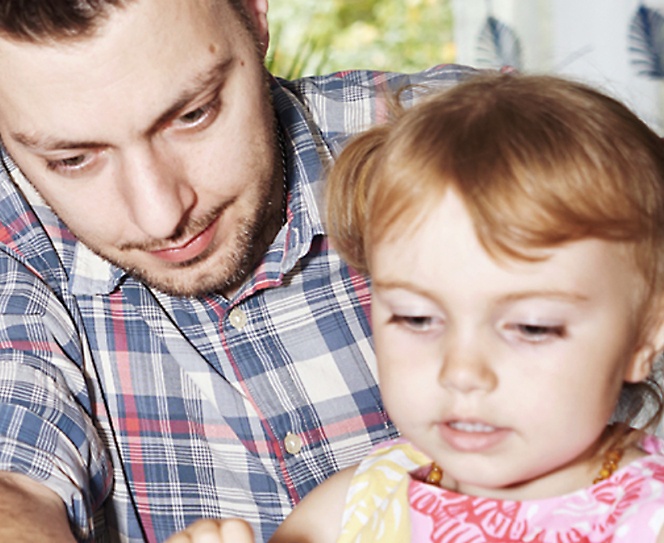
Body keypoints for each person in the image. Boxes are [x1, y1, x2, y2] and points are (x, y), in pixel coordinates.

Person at [0, 0, 476, 542]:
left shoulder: (476, 144)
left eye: (193, 114)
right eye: (73, 160)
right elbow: (12, 486)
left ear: (254, 15)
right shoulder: (13, 232)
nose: (161, 215)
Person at [268, 73, 664, 542]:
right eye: (417, 318)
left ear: (645, 335)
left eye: (531, 327)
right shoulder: (351, 510)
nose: (461, 371)